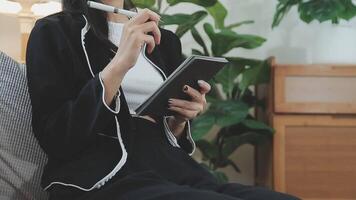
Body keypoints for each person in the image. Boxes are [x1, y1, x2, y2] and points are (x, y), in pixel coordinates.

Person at [26, 0, 300, 199]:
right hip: (98, 171)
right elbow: (56, 135)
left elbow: (168, 131)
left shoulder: (163, 39)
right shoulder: (53, 32)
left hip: (168, 164)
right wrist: (119, 64)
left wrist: (181, 118)